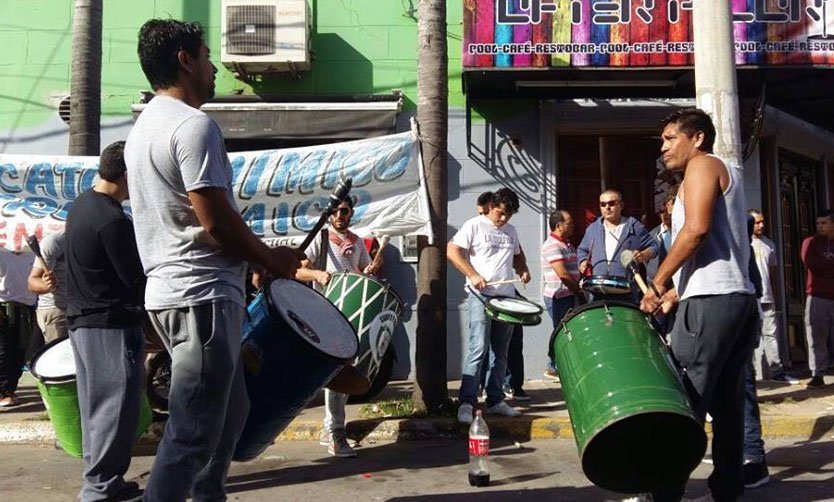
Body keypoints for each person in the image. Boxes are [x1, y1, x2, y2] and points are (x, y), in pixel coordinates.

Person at [125, 19, 302, 501]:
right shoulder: (191, 124)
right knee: (193, 432)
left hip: (176, 293)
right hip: (199, 294)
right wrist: (270, 257)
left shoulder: (145, 126)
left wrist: (255, 260)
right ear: (184, 60)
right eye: (205, 54)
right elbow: (216, 223)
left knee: (232, 412)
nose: (215, 65)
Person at [640, 108, 758, 502]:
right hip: (735, 300)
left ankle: (665, 492)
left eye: (671, 138)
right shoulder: (724, 172)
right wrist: (676, 292)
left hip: (712, 303)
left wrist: (659, 282)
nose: (664, 148)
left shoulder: (702, 165)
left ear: (697, 138)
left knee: (683, 401)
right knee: (726, 407)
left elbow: (696, 232)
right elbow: (720, 249)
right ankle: (727, 489)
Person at [64, 141, 146, 502]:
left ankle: (106, 480)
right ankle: (99, 488)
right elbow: (135, 279)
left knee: (98, 408)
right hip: (109, 323)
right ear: (126, 174)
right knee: (115, 408)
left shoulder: (82, 205)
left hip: (85, 321)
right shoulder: (112, 220)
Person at [295, 197, 379, 458]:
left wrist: (371, 268)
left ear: (351, 213)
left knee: (346, 370)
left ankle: (329, 428)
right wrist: (317, 275)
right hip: (327, 311)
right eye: (335, 211)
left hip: (351, 311)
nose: (340, 215)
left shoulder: (356, 240)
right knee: (336, 373)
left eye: (344, 211)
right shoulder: (320, 239)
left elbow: (363, 269)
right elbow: (298, 270)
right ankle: (336, 433)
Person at [448, 188, 530, 424]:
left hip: (506, 297)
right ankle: (467, 401)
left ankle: (495, 400)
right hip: (480, 295)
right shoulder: (474, 225)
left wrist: (523, 269)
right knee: (478, 348)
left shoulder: (511, 231)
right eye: (500, 213)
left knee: (501, 352)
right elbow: (452, 251)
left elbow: (518, 255)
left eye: (509, 215)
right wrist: (472, 274)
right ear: (491, 206)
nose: (503, 218)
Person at [577, 189, 657, 303]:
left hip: (625, 290)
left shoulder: (634, 227)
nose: (607, 207)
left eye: (612, 203)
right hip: (598, 290)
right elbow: (582, 250)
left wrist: (643, 255)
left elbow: (654, 247)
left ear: (621, 205)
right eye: (603, 204)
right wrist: (582, 261)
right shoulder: (592, 229)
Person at [749, 209, 797, 384]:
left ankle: (776, 372)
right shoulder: (742, 243)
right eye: (757, 222)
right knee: (750, 337)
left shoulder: (769, 244)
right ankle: (752, 376)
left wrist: (775, 294)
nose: (761, 225)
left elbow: (772, 272)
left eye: (762, 222)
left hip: (767, 297)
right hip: (749, 296)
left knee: (771, 335)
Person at [541, 209, 582, 380]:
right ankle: (553, 367)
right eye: (569, 223)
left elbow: (572, 270)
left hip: (568, 294)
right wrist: (578, 291)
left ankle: (559, 365)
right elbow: (563, 274)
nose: (573, 226)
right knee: (560, 330)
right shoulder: (552, 245)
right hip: (558, 296)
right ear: (558, 226)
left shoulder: (567, 244)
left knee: (566, 330)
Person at [801, 209, 834, 389]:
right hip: (817, 296)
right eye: (818, 223)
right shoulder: (811, 242)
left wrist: (826, 264)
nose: (820, 226)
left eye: (824, 223)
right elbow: (810, 263)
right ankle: (817, 373)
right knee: (816, 337)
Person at [0, 249, 36, 407]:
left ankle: (10, 389)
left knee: (21, 350)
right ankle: (3, 391)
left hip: (26, 307)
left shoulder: (33, 252)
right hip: (3, 304)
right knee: (3, 349)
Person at [27, 231, 68, 343]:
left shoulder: (96, 239)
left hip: (84, 309)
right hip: (57, 311)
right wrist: (46, 285)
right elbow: (32, 282)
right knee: (60, 357)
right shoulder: (55, 242)